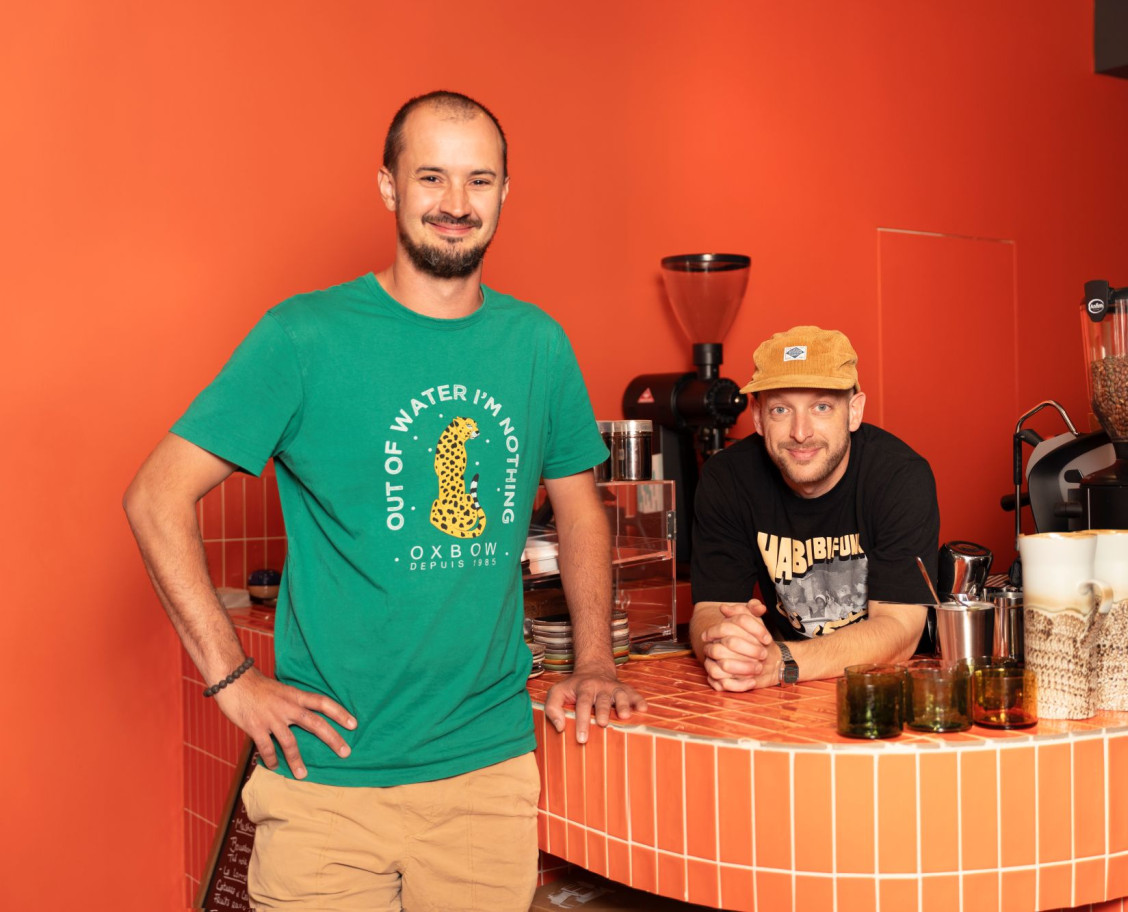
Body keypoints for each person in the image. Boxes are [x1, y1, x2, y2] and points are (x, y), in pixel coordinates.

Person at [123, 90, 644, 911]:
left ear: (505, 193)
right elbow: (155, 496)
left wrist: (595, 660)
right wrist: (231, 681)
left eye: (479, 181)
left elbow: (580, 510)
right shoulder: (303, 336)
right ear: (388, 187)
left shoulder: (537, 342)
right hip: (324, 784)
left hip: (485, 774)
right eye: (430, 177)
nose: (455, 204)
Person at [688, 325, 940, 691]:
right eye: (780, 409)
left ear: (854, 412)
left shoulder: (899, 476)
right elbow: (710, 608)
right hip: (787, 696)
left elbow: (900, 630)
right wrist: (726, 644)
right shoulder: (727, 479)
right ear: (758, 418)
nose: (800, 432)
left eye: (821, 407)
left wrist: (782, 662)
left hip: (881, 687)